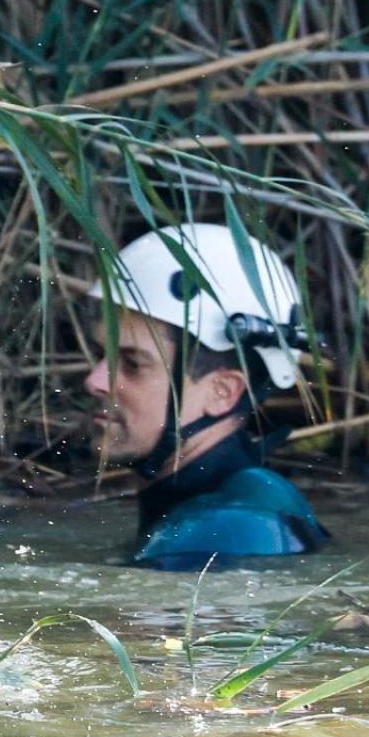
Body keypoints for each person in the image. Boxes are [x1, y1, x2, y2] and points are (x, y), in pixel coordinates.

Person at [82, 222, 330, 571]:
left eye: (133, 363)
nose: (94, 380)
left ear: (222, 392)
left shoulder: (225, 526)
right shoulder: (231, 509)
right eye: (101, 354)